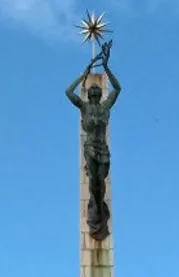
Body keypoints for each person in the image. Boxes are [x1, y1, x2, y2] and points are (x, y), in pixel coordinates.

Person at [65, 42, 121, 242]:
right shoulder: (84, 108)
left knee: (99, 183)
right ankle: (96, 208)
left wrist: (106, 67)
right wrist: (84, 75)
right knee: (94, 181)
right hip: (90, 147)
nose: (95, 95)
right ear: (89, 95)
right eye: (92, 93)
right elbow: (68, 92)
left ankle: (98, 207)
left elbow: (118, 88)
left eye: (97, 93)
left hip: (103, 149)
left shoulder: (105, 107)